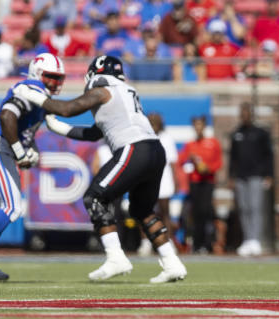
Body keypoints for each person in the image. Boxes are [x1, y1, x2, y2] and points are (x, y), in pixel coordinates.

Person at [15, 55, 186, 282]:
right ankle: (172, 263)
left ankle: (116, 257)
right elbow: (95, 133)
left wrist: (35, 97)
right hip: (154, 150)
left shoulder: (102, 88)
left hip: (134, 148)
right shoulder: (124, 91)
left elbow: (68, 108)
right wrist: (62, 129)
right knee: (142, 210)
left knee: (95, 198)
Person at [0, 53, 65, 283]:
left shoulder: (41, 96)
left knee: (2, 207)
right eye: (51, 77)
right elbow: (8, 116)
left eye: (59, 78)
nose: (56, 83)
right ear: (38, 74)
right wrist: (20, 152)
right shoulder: (30, 89)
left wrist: (31, 147)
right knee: (12, 206)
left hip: (1, 151)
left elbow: (25, 129)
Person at [228, 104, 274, 257]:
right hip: (241, 176)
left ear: (252, 115)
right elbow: (232, 158)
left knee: (255, 208)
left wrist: (269, 175)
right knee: (243, 208)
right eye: (242, 113)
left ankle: (255, 239)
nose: (245, 116)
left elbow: (269, 155)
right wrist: (231, 176)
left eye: (247, 113)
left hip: (257, 175)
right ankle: (247, 239)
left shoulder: (261, 133)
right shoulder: (236, 134)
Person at [178, 115, 223, 253]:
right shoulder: (190, 145)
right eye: (196, 125)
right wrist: (189, 159)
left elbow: (218, 162)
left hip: (208, 181)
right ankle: (196, 244)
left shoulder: (212, 143)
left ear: (204, 126)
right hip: (195, 182)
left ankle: (207, 243)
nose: (198, 128)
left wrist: (209, 169)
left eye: (200, 125)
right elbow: (180, 160)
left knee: (206, 212)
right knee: (196, 213)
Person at [138, 112, 180, 256]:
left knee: (165, 213)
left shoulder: (167, 139)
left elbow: (173, 162)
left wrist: (176, 180)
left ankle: (169, 242)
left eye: (156, 122)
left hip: (165, 180)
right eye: (151, 121)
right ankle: (145, 243)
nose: (154, 124)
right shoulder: (142, 137)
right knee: (144, 213)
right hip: (146, 180)